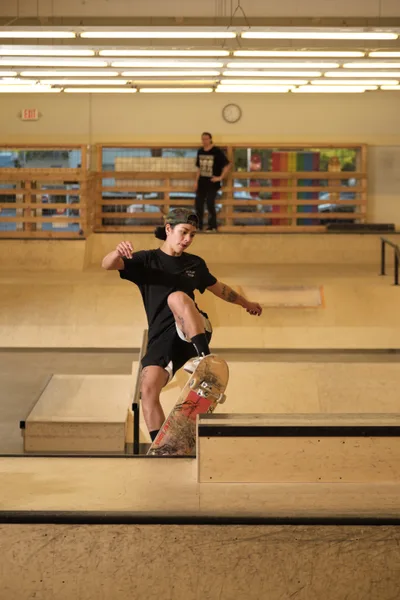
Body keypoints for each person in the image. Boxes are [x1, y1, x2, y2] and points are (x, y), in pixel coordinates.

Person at [102, 208, 262, 443]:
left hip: (192, 330)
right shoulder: (147, 260)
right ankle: (162, 446)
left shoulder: (195, 264)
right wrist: (117, 251)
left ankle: (204, 361)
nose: (187, 239)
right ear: (168, 230)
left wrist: (246, 303)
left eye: (192, 235)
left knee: (175, 297)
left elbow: (221, 290)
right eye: (184, 232)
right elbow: (107, 264)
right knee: (147, 389)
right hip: (162, 340)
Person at [195, 132, 230, 232]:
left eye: (206, 139)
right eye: (203, 139)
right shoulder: (200, 151)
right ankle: (199, 225)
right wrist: (196, 181)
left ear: (210, 139)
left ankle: (212, 226)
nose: (204, 141)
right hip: (202, 181)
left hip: (212, 181)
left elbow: (227, 165)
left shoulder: (217, 151)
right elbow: (199, 168)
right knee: (199, 204)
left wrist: (220, 177)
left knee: (210, 203)